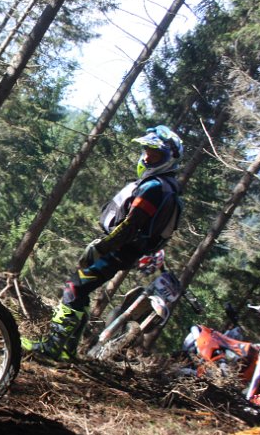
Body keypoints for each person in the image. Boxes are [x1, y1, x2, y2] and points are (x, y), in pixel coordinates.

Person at [24, 125, 184, 360]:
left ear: (168, 159)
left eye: (155, 154)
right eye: (147, 151)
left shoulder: (154, 187)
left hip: (120, 249)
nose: (147, 157)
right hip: (124, 249)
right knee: (80, 289)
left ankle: (54, 347)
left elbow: (131, 226)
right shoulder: (164, 185)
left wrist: (101, 248)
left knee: (75, 287)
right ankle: (67, 350)